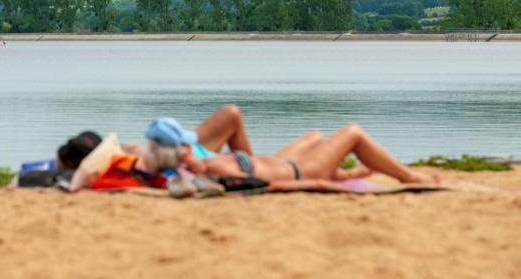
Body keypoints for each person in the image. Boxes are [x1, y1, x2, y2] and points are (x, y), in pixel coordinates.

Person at [143, 105, 440, 186]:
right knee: (353, 132)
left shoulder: (200, 167)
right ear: (179, 152)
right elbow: (270, 185)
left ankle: (339, 169)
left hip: (288, 166)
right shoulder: (213, 168)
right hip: (302, 171)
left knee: (316, 137)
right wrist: (338, 180)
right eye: (186, 146)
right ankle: (410, 177)